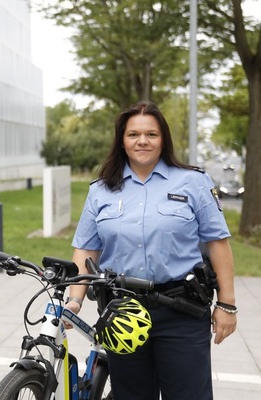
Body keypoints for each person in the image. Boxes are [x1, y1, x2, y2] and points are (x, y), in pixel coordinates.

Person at [66, 100, 237, 399]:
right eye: (133, 134)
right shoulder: (101, 189)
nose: (142, 141)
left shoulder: (193, 182)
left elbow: (217, 242)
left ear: (163, 139)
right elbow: (87, 248)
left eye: (151, 134)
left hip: (181, 311)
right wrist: (75, 300)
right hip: (123, 314)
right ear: (122, 140)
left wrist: (227, 304)